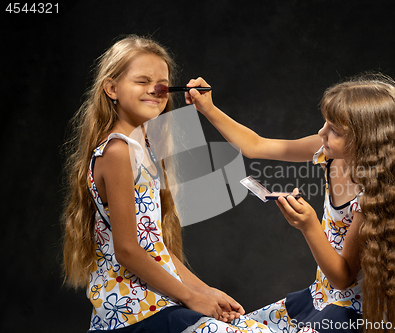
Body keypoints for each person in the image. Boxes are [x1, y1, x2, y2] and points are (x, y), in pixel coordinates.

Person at [186, 74, 395, 333]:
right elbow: (256, 145)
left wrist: (309, 225)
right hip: (320, 298)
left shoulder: (373, 195)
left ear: (366, 140)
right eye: (325, 123)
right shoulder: (328, 154)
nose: (321, 132)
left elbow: (343, 278)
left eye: (334, 130)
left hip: (350, 313)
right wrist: (208, 108)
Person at [61, 35, 272, 333]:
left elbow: (153, 244)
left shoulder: (144, 149)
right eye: (141, 81)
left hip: (157, 302)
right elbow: (128, 250)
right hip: (133, 312)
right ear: (112, 89)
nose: (154, 90)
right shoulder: (118, 151)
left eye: (161, 83)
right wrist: (191, 298)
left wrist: (205, 291)